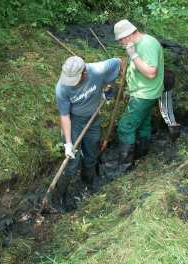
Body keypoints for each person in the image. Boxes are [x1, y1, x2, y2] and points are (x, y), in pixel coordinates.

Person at [50, 56, 122, 211]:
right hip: (74, 122)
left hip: (93, 119)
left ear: (84, 73)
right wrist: (68, 143)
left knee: (91, 154)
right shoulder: (62, 88)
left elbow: (119, 63)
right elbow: (64, 116)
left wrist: (108, 87)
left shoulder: (97, 70)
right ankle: (59, 196)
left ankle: (88, 183)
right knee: (72, 162)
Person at [113, 19, 164, 171]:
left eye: (121, 39)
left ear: (127, 35)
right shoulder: (136, 44)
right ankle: (142, 154)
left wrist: (133, 55)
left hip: (144, 94)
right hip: (147, 92)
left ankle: (125, 166)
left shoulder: (147, 44)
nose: (121, 43)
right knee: (143, 124)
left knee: (125, 127)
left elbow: (150, 73)